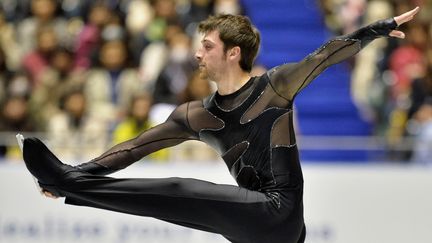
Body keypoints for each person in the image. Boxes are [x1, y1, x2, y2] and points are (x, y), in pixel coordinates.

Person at [21, 7, 419, 243]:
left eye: (206, 46)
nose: (197, 54)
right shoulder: (193, 114)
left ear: (233, 53)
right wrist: (77, 175)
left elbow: (325, 56)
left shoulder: (275, 87)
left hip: (279, 215)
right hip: (253, 231)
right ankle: (68, 185)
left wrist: (377, 28)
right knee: (167, 204)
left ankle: (67, 182)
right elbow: (131, 150)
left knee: (179, 189)